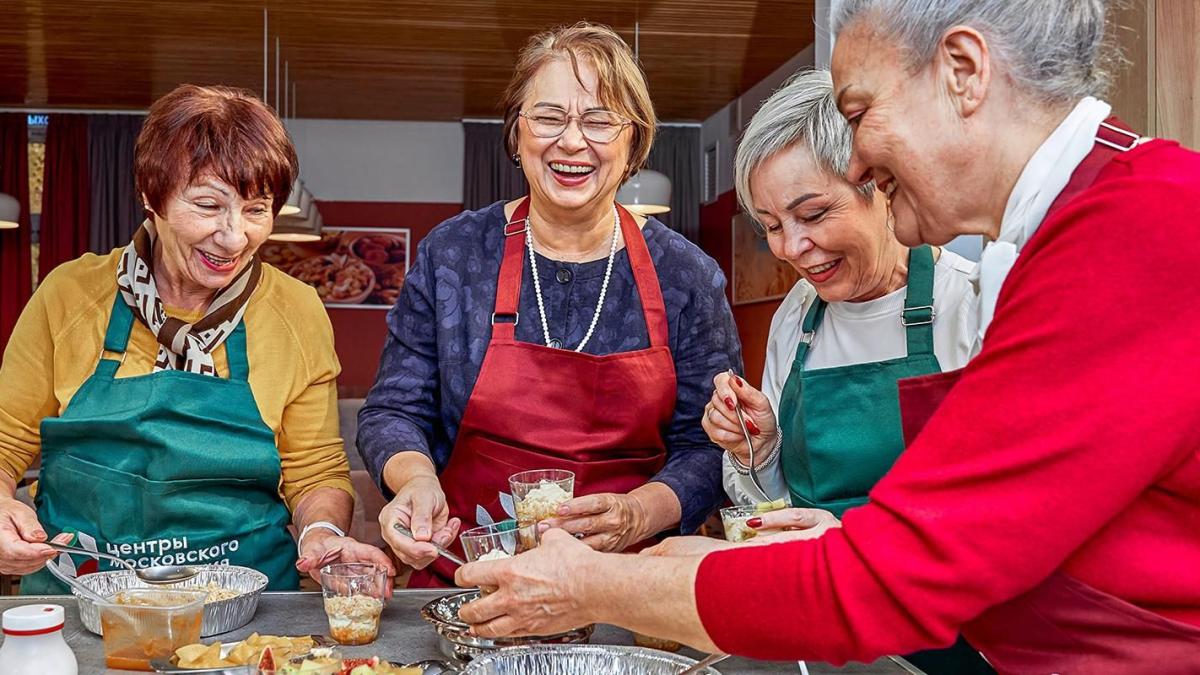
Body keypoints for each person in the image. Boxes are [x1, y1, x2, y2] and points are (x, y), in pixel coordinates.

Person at [451, 2, 1200, 672]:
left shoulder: (1135, 233)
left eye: (860, 109)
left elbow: (900, 573)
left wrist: (594, 583)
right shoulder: (1101, 219)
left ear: (964, 72)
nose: (860, 161)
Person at [358, 22, 740, 587]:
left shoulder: (686, 275)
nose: (571, 141)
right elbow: (394, 411)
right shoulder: (455, 254)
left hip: (627, 587)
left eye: (599, 120)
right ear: (516, 133)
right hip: (469, 576)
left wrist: (640, 513)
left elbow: (709, 447)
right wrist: (415, 481)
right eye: (549, 117)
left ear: (634, 141)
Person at [0, 84, 392, 593]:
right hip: (85, 603)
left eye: (256, 209)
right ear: (150, 195)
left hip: (250, 606)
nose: (234, 237)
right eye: (208, 205)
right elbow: (6, 441)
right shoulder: (69, 295)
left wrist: (321, 532)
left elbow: (313, 468)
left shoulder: (296, 310)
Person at [703, 68, 987, 674]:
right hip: (818, 637)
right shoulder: (797, 318)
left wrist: (850, 539)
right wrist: (761, 447)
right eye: (772, 226)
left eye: (813, 213)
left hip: (950, 645)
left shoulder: (972, 310)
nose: (791, 248)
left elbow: (1002, 519)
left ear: (880, 186)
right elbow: (772, 512)